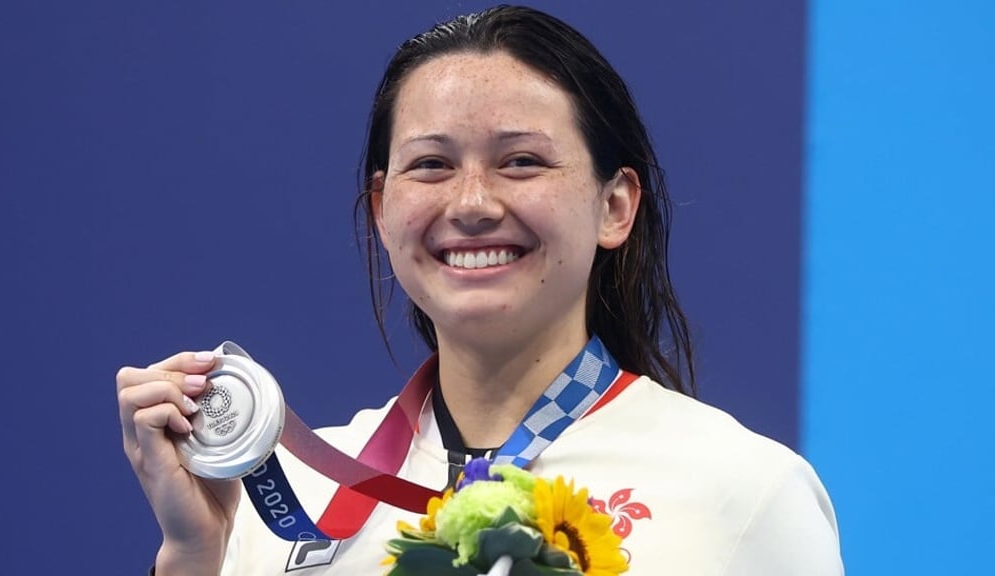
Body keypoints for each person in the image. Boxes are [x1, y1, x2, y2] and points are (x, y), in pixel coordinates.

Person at [116, 5, 843, 575]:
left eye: (521, 161)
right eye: (431, 166)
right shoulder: (284, 503)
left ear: (615, 206)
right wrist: (192, 557)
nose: (470, 203)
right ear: (381, 209)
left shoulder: (744, 493)